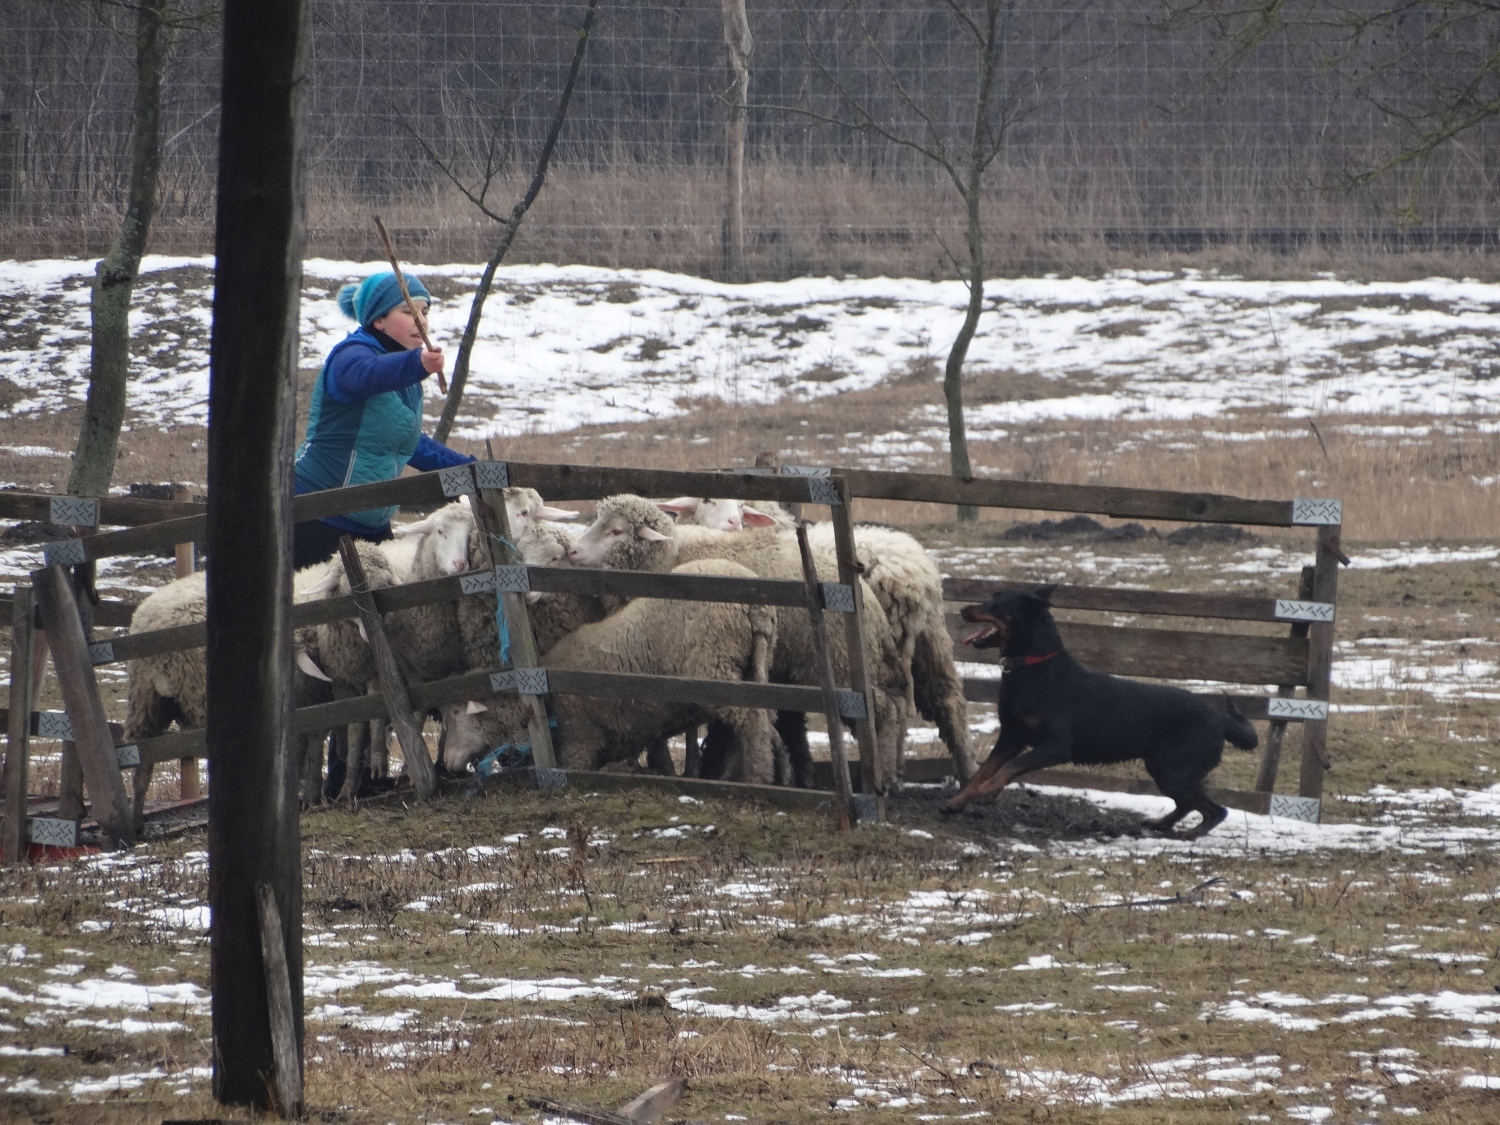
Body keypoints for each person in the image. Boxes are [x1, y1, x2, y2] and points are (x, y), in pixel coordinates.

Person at [293, 270, 474, 569]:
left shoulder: (405, 376)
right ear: (378, 320)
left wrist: (470, 470)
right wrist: (416, 363)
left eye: (424, 311)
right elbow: (364, 375)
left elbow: (409, 443)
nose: (422, 320)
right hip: (316, 514)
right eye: (408, 311)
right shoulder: (350, 355)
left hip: (372, 523)